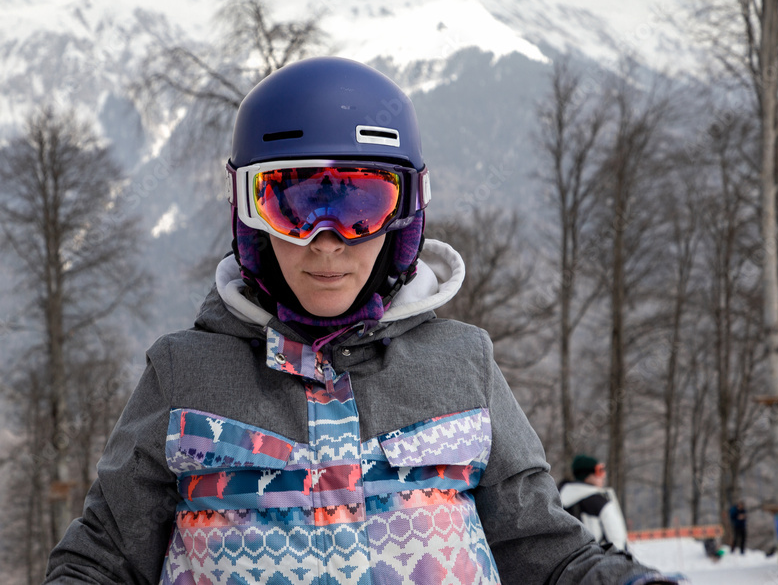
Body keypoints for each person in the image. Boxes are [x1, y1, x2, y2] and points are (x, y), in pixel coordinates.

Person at [45, 57, 673, 584]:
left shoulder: (461, 366)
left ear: (403, 216)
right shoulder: (187, 373)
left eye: (361, 206)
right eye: (291, 204)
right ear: (250, 217)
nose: (326, 242)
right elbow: (106, 557)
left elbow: (544, 553)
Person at [558, 455, 630, 552]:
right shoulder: (600, 503)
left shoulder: (558, 502)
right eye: (599, 470)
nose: (603, 475)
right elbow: (617, 541)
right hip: (601, 562)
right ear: (587, 476)